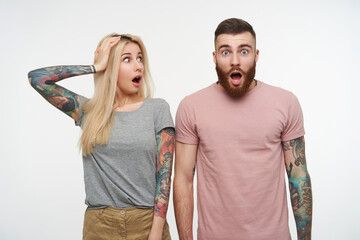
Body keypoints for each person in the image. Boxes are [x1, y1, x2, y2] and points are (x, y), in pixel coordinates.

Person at [173, 18, 312, 240]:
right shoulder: (191, 107)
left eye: (244, 51)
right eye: (225, 52)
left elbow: (298, 176)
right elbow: (183, 180)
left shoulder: (286, 102)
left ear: (256, 55)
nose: (235, 61)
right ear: (215, 57)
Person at [28, 34, 174, 240]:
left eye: (140, 58)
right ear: (111, 66)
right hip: (99, 226)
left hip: (146, 223)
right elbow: (38, 78)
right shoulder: (88, 111)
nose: (138, 66)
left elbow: (164, 177)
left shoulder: (157, 109)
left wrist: (156, 232)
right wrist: (95, 67)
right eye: (127, 59)